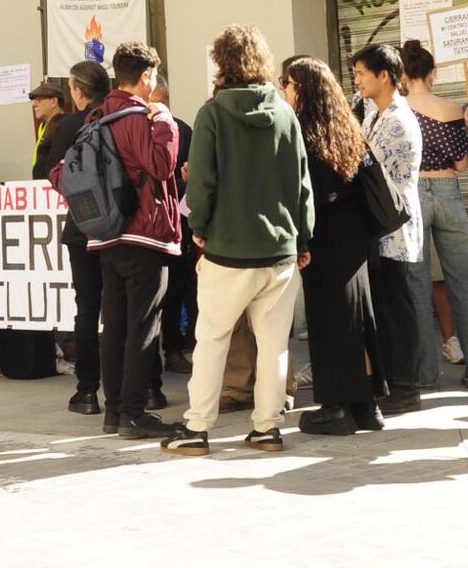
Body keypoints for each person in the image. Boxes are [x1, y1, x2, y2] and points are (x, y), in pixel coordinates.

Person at [158, 29, 307, 456]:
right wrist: (304, 236)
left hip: (228, 248)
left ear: (221, 62)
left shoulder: (213, 114)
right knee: (274, 345)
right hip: (280, 248)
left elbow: (202, 182)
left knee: (212, 340)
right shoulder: (284, 112)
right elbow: (301, 184)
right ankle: (267, 428)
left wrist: (199, 226)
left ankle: (197, 427)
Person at [55, 43, 179, 442]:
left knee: (115, 325)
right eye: (154, 77)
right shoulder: (140, 117)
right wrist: (166, 123)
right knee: (142, 326)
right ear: (146, 76)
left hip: (104, 234)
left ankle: (113, 412)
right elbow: (160, 165)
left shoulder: (96, 115)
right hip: (142, 234)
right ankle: (134, 413)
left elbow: (60, 173)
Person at [281, 56, 381, 436]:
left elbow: (312, 193)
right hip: (355, 233)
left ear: (303, 90)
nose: (284, 90)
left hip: (323, 233)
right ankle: (365, 404)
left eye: (288, 83)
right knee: (357, 317)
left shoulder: (304, 131)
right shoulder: (346, 126)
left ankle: (336, 406)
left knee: (329, 320)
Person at [399, 40, 468, 391]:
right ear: (433, 74)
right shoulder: (454, 108)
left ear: (403, 75)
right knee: (462, 286)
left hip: (413, 195)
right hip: (449, 194)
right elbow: (462, 164)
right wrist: (465, 130)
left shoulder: (396, 110)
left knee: (418, 286)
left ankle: (425, 373)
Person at [352, 43, 425, 415]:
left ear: (384, 75)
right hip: (379, 226)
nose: (357, 80)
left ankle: (406, 384)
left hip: (393, 226)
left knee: (397, 306)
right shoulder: (374, 113)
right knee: (384, 305)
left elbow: (369, 167)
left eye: (363, 73)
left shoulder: (397, 119)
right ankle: (393, 380)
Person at [56, 61, 112, 415]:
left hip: (82, 225)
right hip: (120, 226)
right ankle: (146, 386)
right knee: (126, 309)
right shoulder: (124, 117)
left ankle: (88, 389)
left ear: (78, 91)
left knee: (87, 308)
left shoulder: (70, 125)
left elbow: (52, 171)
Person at [154, 79, 199, 375]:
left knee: (179, 288)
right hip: (151, 224)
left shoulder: (180, 129)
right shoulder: (130, 124)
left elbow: (193, 174)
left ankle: (176, 348)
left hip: (176, 223)